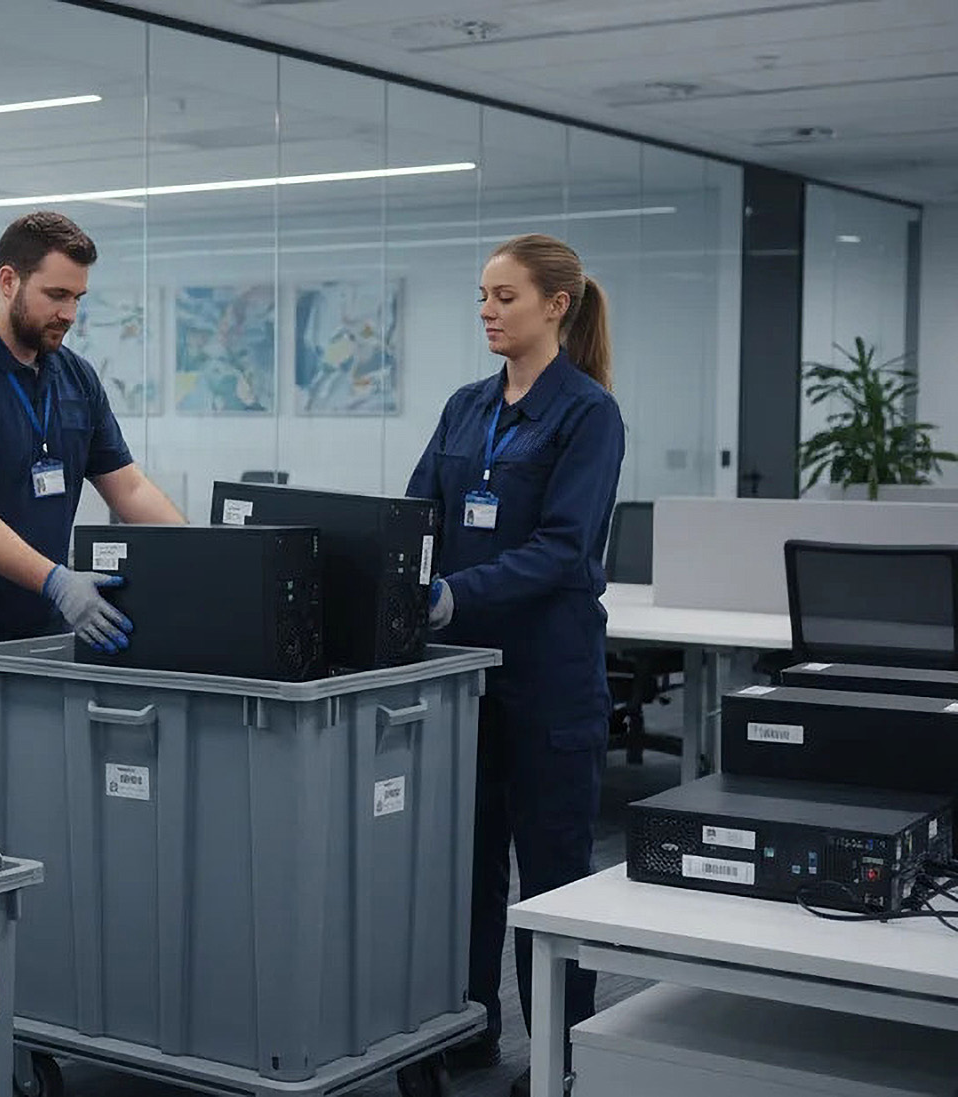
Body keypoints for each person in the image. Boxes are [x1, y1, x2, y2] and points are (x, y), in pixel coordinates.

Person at [405, 233, 623, 1097]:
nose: (488, 312)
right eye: (482, 298)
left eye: (505, 298)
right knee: (466, 863)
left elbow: (565, 551)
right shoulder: (466, 406)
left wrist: (454, 592)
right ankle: (468, 1025)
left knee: (555, 873)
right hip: (466, 677)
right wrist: (385, 576)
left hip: (550, 677)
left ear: (555, 305)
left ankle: (564, 1057)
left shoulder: (587, 412)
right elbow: (416, 512)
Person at [0, 210, 184, 735]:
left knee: (28, 797)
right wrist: (58, 582)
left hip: (35, 632)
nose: (69, 314)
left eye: (77, 299)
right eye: (56, 295)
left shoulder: (76, 378)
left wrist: (206, 561)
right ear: (8, 281)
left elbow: (129, 487)